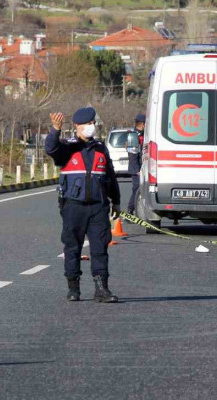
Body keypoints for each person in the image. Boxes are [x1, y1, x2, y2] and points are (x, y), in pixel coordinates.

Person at [45, 108, 122, 302]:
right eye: (88, 124)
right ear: (78, 126)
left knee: (100, 248)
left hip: (98, 207)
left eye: (93, 123)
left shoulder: (100, 148)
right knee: (72, 247)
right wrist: (55, 130)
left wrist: (117, 202)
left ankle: (102, 289)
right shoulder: (68, 148)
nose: (92, 127)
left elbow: (110, 177)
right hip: (73, 206)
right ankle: (73, 287)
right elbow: (51, 149)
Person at [126, 114, 146, 214]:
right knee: (137, 188)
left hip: (143, 167)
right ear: (142, 124)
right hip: (136, 169)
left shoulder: (143, 135)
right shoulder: (133, 136)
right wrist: (137, 170)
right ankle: (130, 210)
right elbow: (132, 155)